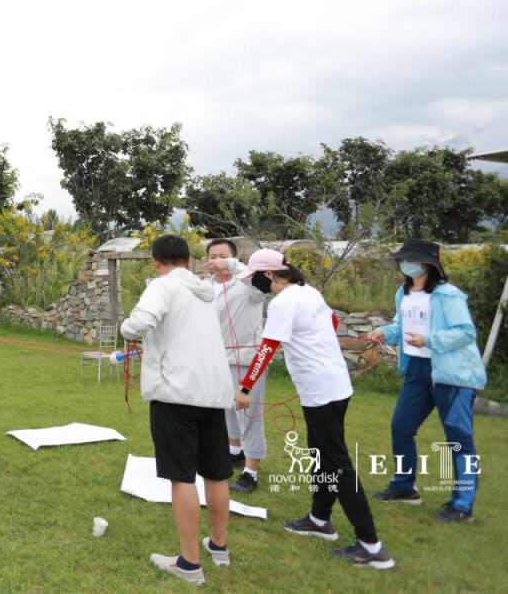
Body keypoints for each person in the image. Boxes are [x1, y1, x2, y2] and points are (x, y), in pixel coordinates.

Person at [234, 249, 394, 570]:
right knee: (320, 455)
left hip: (322, 392)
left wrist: (245, 387)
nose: (254, 285)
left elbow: (267, 348)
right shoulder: (308, 292)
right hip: (334, 388)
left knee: (337, 465)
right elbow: (332, 321)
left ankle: (371, 545)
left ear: (268, 276)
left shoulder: (282, 303)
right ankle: (320, 519)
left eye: (254, 279)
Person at [120, 235, 233, 586]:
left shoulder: (162, 286)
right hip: (213, 391)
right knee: (216, 471)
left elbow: (138, 323)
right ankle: (218, 545)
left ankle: (189, 563)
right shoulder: (207, 291)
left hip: (176, 393)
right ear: (188, 259)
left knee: (181, 475)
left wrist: (127, 329)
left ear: (156, 262)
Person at [366, 238, 485, 522]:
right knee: (401, 427)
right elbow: (400, 327)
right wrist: (384, 332)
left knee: (458, 439)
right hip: (417, 372)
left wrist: (429, 339)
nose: (404, 265)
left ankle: (462, 504)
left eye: (409, 260)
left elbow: (465, 332)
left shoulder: (448, 295)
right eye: (402, 261)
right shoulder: (403, 292)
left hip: (452, 374)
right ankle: (404, 487)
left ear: (427, 264)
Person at [203, 238, 268, 494]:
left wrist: (232, 265)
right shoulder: (205, 287)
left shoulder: (247, 284)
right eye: (212, 256)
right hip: (217, 359)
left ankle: (251, 472)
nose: (216, 261)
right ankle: (235, 450)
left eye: (222, 256)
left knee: (249, 414)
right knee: (226, 409)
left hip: (246, 360)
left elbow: (263, 286)